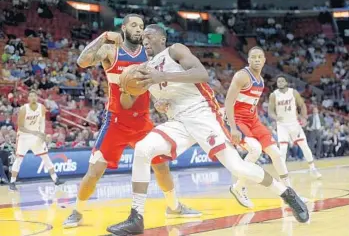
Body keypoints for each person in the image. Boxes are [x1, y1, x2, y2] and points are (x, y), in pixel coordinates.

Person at [106, 24, 309, 235]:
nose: (144, 40)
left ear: (162, 39)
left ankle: (286, 193)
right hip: (179, 122)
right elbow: (131, 103)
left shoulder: (175, 50)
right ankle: (136, 217)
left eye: (149, 35)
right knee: (142, 149)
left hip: (203, 114)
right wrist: (127, 88)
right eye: (143, 38)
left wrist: (164, 77)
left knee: (237, 167)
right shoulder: (146, 69)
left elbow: (202, 74)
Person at [63, 14, 201, 228]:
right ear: (124, 28)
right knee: (94, 172)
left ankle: (174, 207)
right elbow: (82, 62)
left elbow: (154, 83)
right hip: (115, 122)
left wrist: (160, 101)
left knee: (161, 167)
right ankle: (77, 211)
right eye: (134, 25)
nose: (139, 29)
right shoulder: (111, 50)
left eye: (142, 26)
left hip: (143, 122)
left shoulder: (149, 55)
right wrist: (102, 37)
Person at [224, 46, 297, 209]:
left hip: (253, 120)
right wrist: (234, 128)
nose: (257, 60)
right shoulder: (242, 76)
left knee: (277, 154)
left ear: (264, 60)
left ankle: (290, 193)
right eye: (253, 57)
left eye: (260, 57)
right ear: (248, 60)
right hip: (237, 120)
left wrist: (258, 125)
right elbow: (228, 102)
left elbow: (251, 105)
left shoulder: (261, 81)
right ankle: (239, 187)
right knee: (255, 149)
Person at [268, 75, 322, 179]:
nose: (280, 82)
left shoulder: (293, 92)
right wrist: (275, 117)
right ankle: (282, 174)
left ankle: (313, 169)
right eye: (278, 81)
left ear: (286, 82)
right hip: (282, 125)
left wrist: (304, 117)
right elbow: (270, 110)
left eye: (282, 81)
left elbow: (302, 105)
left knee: (304, 146)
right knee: (283, 149)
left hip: (294, 123)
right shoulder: (273, 95)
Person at [9, 90, 64, 191]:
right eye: (31, 96)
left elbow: (42, 123)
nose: (33, 98)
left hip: (36, 137)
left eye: (35, 96)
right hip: (23, 137)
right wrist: (35, 133)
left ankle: (55, 179)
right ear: (28, 98)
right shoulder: (23, 109)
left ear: (37, 97)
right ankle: (12, 182)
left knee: (46, 158)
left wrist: (42, 135)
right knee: (19, 160)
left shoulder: (41, 107)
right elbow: (20, 127)